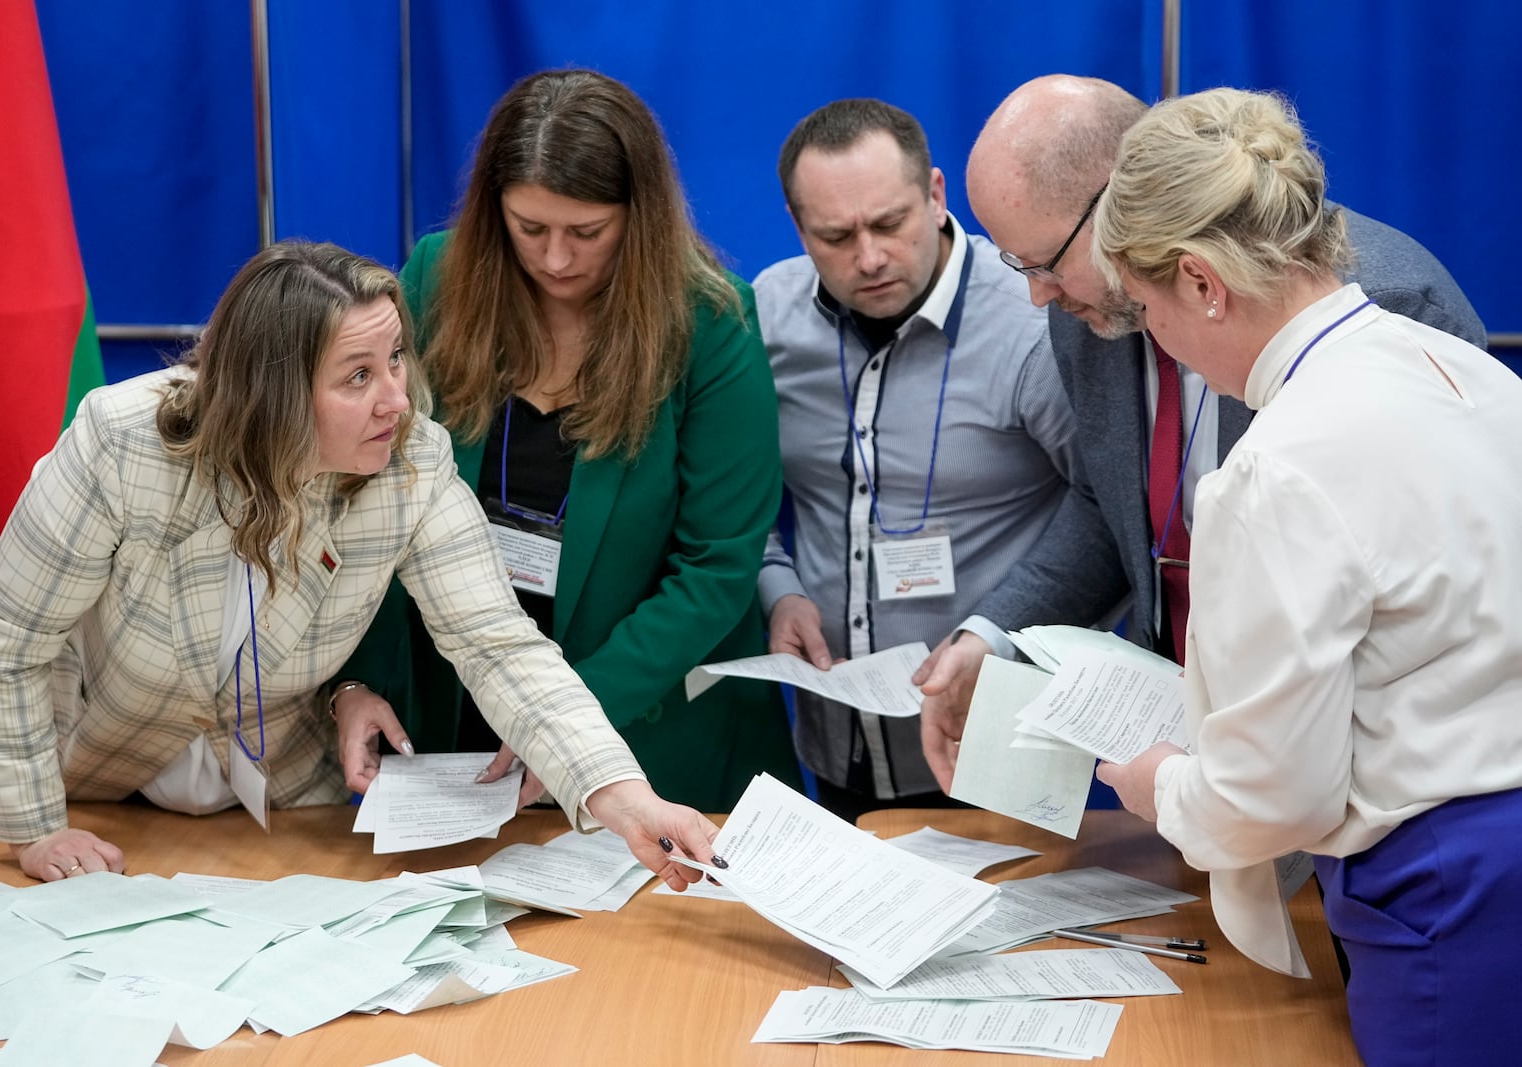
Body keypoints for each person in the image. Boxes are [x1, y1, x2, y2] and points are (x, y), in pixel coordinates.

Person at [0, 240, 720, 887]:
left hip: (288, 805)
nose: (397, 398)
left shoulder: (412, 461)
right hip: (94, 787)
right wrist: (33, 830)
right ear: (273, 394)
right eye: (358, 376)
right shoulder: (124, 442)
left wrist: (623, 798)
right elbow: (9, 633)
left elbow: (498, 644)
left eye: (395, 358)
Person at [1083, 87, 1522, 1066]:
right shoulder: (1475, 375)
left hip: (1447, 877)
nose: (1159, 341)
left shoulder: (1277, 462)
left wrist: (1160, 786)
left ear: (1199, 283)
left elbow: (1274, 795)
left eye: (1146, 309)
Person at [918, 74, 1486, 791]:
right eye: (1018, 267)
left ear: (1126, 193)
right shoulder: (1086, 318)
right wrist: (996, 634)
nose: (1039, 296)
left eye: (1046, 263)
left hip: (1373, 783)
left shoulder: (1393, 311)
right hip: (1190, 770)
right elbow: (1109, 503)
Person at [331, 69, 799, 812]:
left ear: (638, 216)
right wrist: (353, 682)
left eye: (587, 232)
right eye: (529, 229)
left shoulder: (711, 319)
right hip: (459, 712)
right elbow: (364, 497)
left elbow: (716, 564)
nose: (555, 259)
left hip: (646, 729)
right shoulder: (434, 280)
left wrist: (561, 718)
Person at [753, 98, 1078, 820]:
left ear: (934, 196)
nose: (868, 258)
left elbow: (1111, 515)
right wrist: (778, 586)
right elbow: (726, 494)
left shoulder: (1037, 322)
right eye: (835, 235)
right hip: (838, 742)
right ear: (797, 227)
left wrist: (998, 631)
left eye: (889, 223)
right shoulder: (767, 317)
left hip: (999, 742)